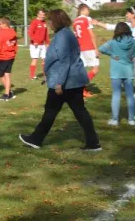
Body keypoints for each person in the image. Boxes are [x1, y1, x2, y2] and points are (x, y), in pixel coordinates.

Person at [19, 9, 101, 152]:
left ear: (56, 21)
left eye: (50, 20)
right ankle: (93, 143)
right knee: (79, 112)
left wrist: (58, 83)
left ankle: (36, 139)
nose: (48, 23)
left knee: (51, 111)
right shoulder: (66, 33)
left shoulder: (63, 36)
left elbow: (65, 61)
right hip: (72, 81)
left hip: (65, 82)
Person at [99, 22, 135, 126]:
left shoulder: (113, 42)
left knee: (116, 94)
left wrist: (112, 55)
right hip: (128, 71)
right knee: (130, 95)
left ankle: (115, 119)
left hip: (116, 71)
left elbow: (101, 49)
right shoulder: (133, 41)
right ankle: (131, 119)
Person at [73, 4, 100, 98]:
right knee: (95, 69)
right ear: (83, 10)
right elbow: (91, 35)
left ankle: (81, 90)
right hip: (89, 47)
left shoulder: (75, 21)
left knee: (83, 70)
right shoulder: (87, 19)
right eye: (88, 10)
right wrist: (96, 48)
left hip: (80, 48)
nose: (89, 12)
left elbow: (76, 36)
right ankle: (81, 88)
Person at [0, 17, 18, 101]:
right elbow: (15, 45)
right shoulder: (13, 32)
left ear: (4, 24)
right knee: (7, 74)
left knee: (0, 74)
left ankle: (6, 94)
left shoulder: (1, 33)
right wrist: (14, 53)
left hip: (3, 57)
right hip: (11, 57)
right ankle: (9, 93)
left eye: (0, 24)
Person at [28, 9, 49, 80]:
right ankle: (32, 76)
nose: (43, 16)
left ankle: (45, 75)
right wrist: (34, 41)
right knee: (35, 59)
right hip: (35, 45)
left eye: (44, 15)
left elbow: (46, 34)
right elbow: (30, 32)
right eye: (41, 14)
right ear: (38, 14)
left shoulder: (44, 23)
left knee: (45, 59)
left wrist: (47, 42)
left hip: (42, 44)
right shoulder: (34, 22)